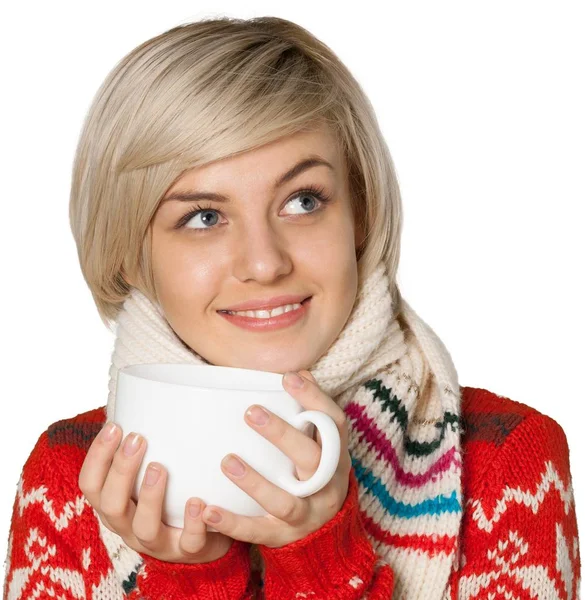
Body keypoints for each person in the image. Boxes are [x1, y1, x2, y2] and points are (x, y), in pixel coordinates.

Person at [3, 15, 580, 600]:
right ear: (130, 255)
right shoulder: (67, 483)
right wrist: (192, 581)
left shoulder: (506, 464)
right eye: (203, 217)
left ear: (360, 214)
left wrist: (321, 562)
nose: (264, 263)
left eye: (303, 201)